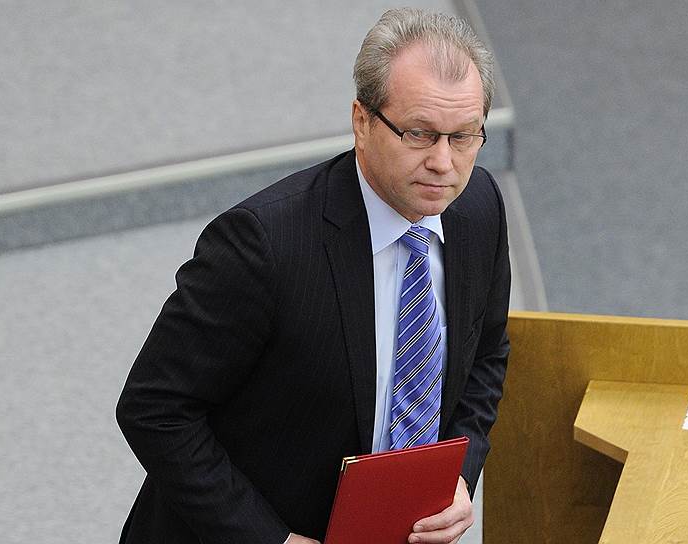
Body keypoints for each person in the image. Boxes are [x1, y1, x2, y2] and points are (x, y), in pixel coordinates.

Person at [116, 8, 510, 544]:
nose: (444, 162)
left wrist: (457, 478)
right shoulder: (262, 245)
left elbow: (485, 353)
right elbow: (155, 409)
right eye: (419, 134)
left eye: (463, 137)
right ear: (362, 121)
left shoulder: (479, 208)